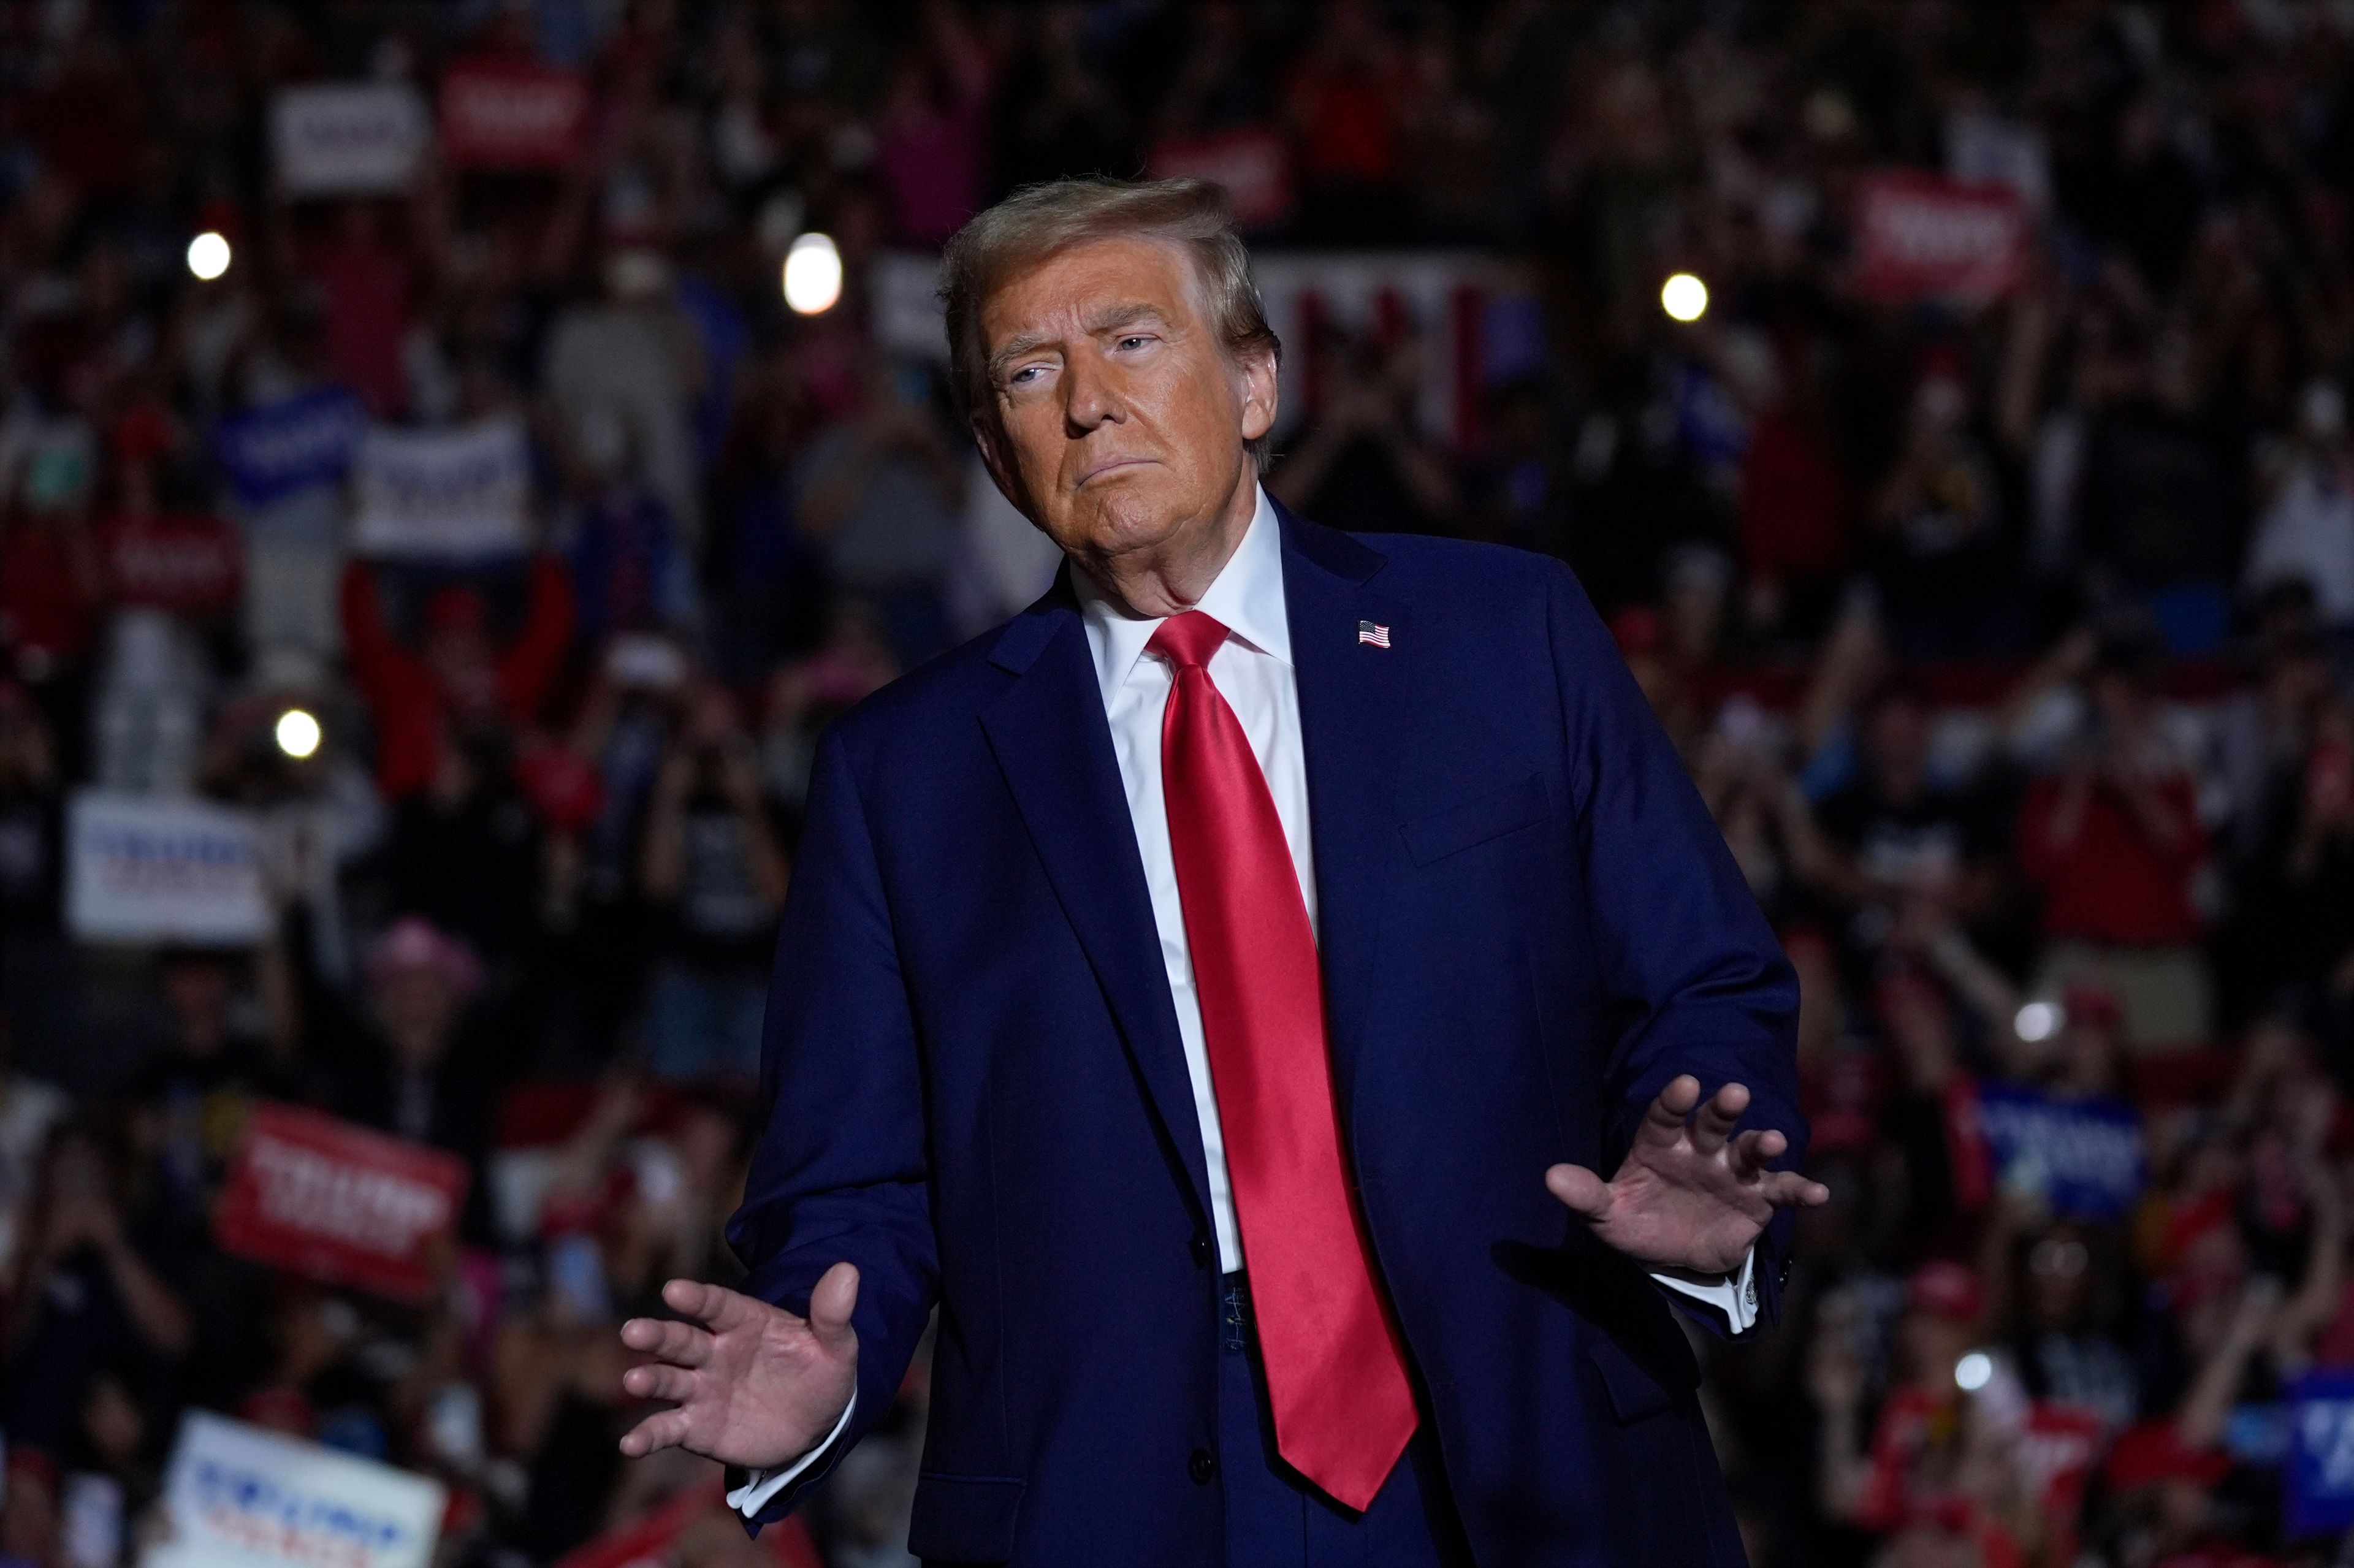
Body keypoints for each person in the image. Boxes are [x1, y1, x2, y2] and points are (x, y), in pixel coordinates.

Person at [615, 178, 1819, 1566]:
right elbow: (854, 1180)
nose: (1087, 402)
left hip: (1523, 1445)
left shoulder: (1504, 634)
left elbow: (1706, 977)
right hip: (1112, 1494)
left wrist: (1708, 1206)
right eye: (1028, 370)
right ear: (999, 459)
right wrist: (829, 1355)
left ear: (1254, 383)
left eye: (1132, 341)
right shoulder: (904, 773)